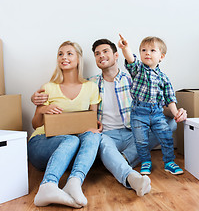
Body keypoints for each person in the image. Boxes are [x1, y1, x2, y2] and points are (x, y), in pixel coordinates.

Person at [31, 38, 187, 196]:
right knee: (99, 141)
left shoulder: (135, 79)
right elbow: (80, 112)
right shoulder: (91, 84)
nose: (101, 56)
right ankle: (130, 175)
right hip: (106, 135)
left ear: (116, 55)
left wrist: (177, 112)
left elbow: (158, 107)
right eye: (97, 54)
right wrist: (38, 102)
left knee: (168, 124)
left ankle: (122, 159)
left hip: (133, 132)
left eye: (105, 52)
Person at [28, 41, 102, 209]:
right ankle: (48, 186)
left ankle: (74, 182)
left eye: (69, 53)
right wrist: (44, 109)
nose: (64, 57)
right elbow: (35, 124)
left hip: (70, 153)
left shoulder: (91, 87)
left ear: (78, 59)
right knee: (71, 140)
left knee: (92, 135)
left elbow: (92, 120)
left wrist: (96, 127)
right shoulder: (48, 87)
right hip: (42, 143)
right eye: (60, 54)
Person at [118, 34, 184, 175]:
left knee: (166, 136)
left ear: (161, 56)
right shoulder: (138, 70)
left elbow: (170, 98)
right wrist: (126, 48)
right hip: (138, 112)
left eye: (152, 50)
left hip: (156, 113)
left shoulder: (164, 78)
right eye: (143, 50)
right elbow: (131, 59)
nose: (147, 53)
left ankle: (169, 162)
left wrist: (176, 113)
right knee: (141, 140)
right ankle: (145, 161)